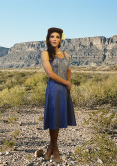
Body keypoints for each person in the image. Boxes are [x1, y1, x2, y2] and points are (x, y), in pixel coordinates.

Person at [41, 27, 77, 163]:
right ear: (48, 39)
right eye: (52, 36)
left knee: (59, 118)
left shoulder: (65, 54)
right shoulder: (45, 54)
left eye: (57, 37)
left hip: (64, 89)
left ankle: (50, 148)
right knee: (53, 118)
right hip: (54, 89)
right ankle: (56, 149)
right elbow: (50, 73)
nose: (54, 39)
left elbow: (68, 69)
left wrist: (68, 82)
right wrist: (66, 83)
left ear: (60, 39)